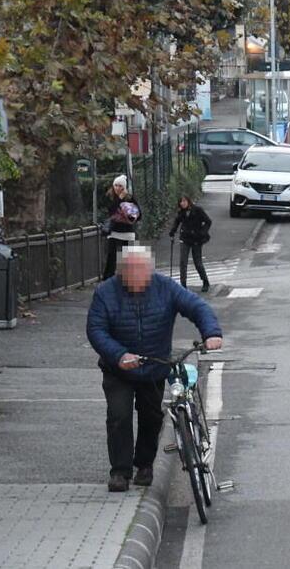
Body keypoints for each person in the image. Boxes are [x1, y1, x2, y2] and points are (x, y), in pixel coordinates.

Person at [87, 245, 223, 492]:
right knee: (119, 416)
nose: (140, 277)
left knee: (152, 417)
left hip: (153, 366)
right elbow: (96, 329)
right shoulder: (105, 293)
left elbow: (196, 307)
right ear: (122, 273)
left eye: (144, 271)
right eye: (133, 272)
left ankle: (145, 465)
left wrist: (211, 333)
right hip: (119, 368)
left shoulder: (165, 287)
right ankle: (120, 471)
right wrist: (119, 355)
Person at [169, 196, 213, 292]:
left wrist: (202, 232)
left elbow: (208, 222)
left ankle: (205, 281)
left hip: (196, 239)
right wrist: (172, 232)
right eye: (181, 201)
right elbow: (176, 222)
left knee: (198, 263)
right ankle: (183, 284)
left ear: (188, 201)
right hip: (185, 239)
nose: (182, 203)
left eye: (184, 201)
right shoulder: (181, 213)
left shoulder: (197, 210)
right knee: (183, 262)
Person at [102, 175, 141, 280]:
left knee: (128, 259)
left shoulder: (130, 198)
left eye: (120, 186)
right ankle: (107, 279)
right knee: (111, 257)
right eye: (115, 185)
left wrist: (130, 215)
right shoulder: (110, 197)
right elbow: (111, 210)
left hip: (127, 232)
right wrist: (119, 199)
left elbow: (139, 214)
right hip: (114, 231)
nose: (117, 188)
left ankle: (128, 280)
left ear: (124, 187)